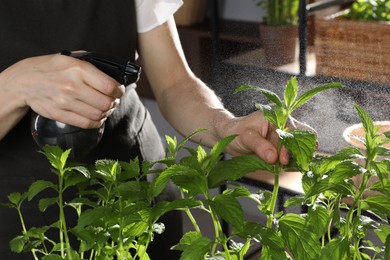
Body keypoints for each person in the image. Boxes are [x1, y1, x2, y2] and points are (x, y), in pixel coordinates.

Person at [0, 0, 308, 259]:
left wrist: (224, 125)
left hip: (136, 188)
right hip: (20, 220)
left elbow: (174, 82)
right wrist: (15, 86)